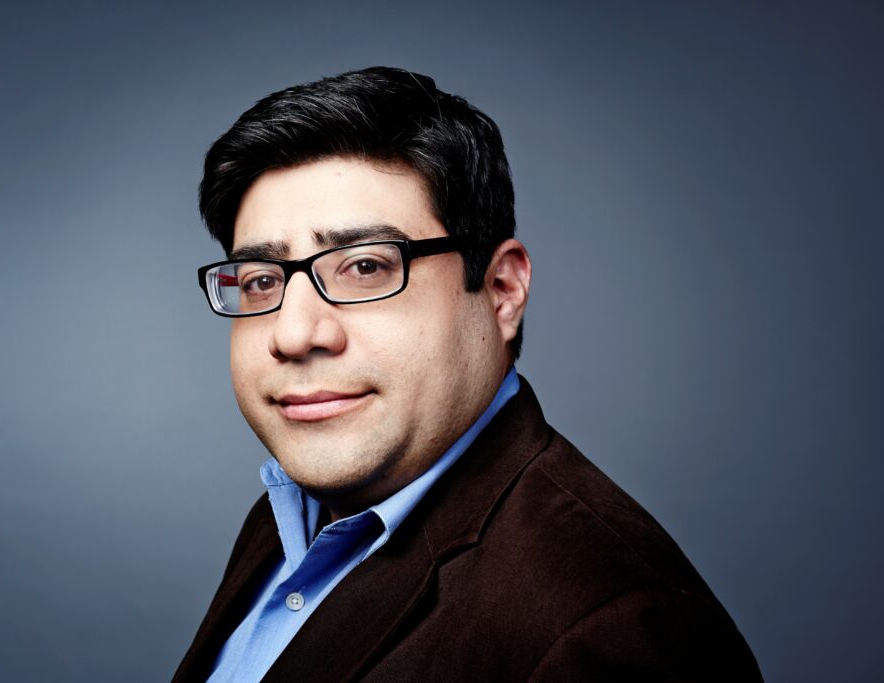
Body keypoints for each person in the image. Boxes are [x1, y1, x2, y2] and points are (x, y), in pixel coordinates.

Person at [173, 67, 762, 681]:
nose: (295, 335)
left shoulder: (617, 630)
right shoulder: (293, 518)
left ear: (502, 290)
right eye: (262, 280)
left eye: (367, 267)